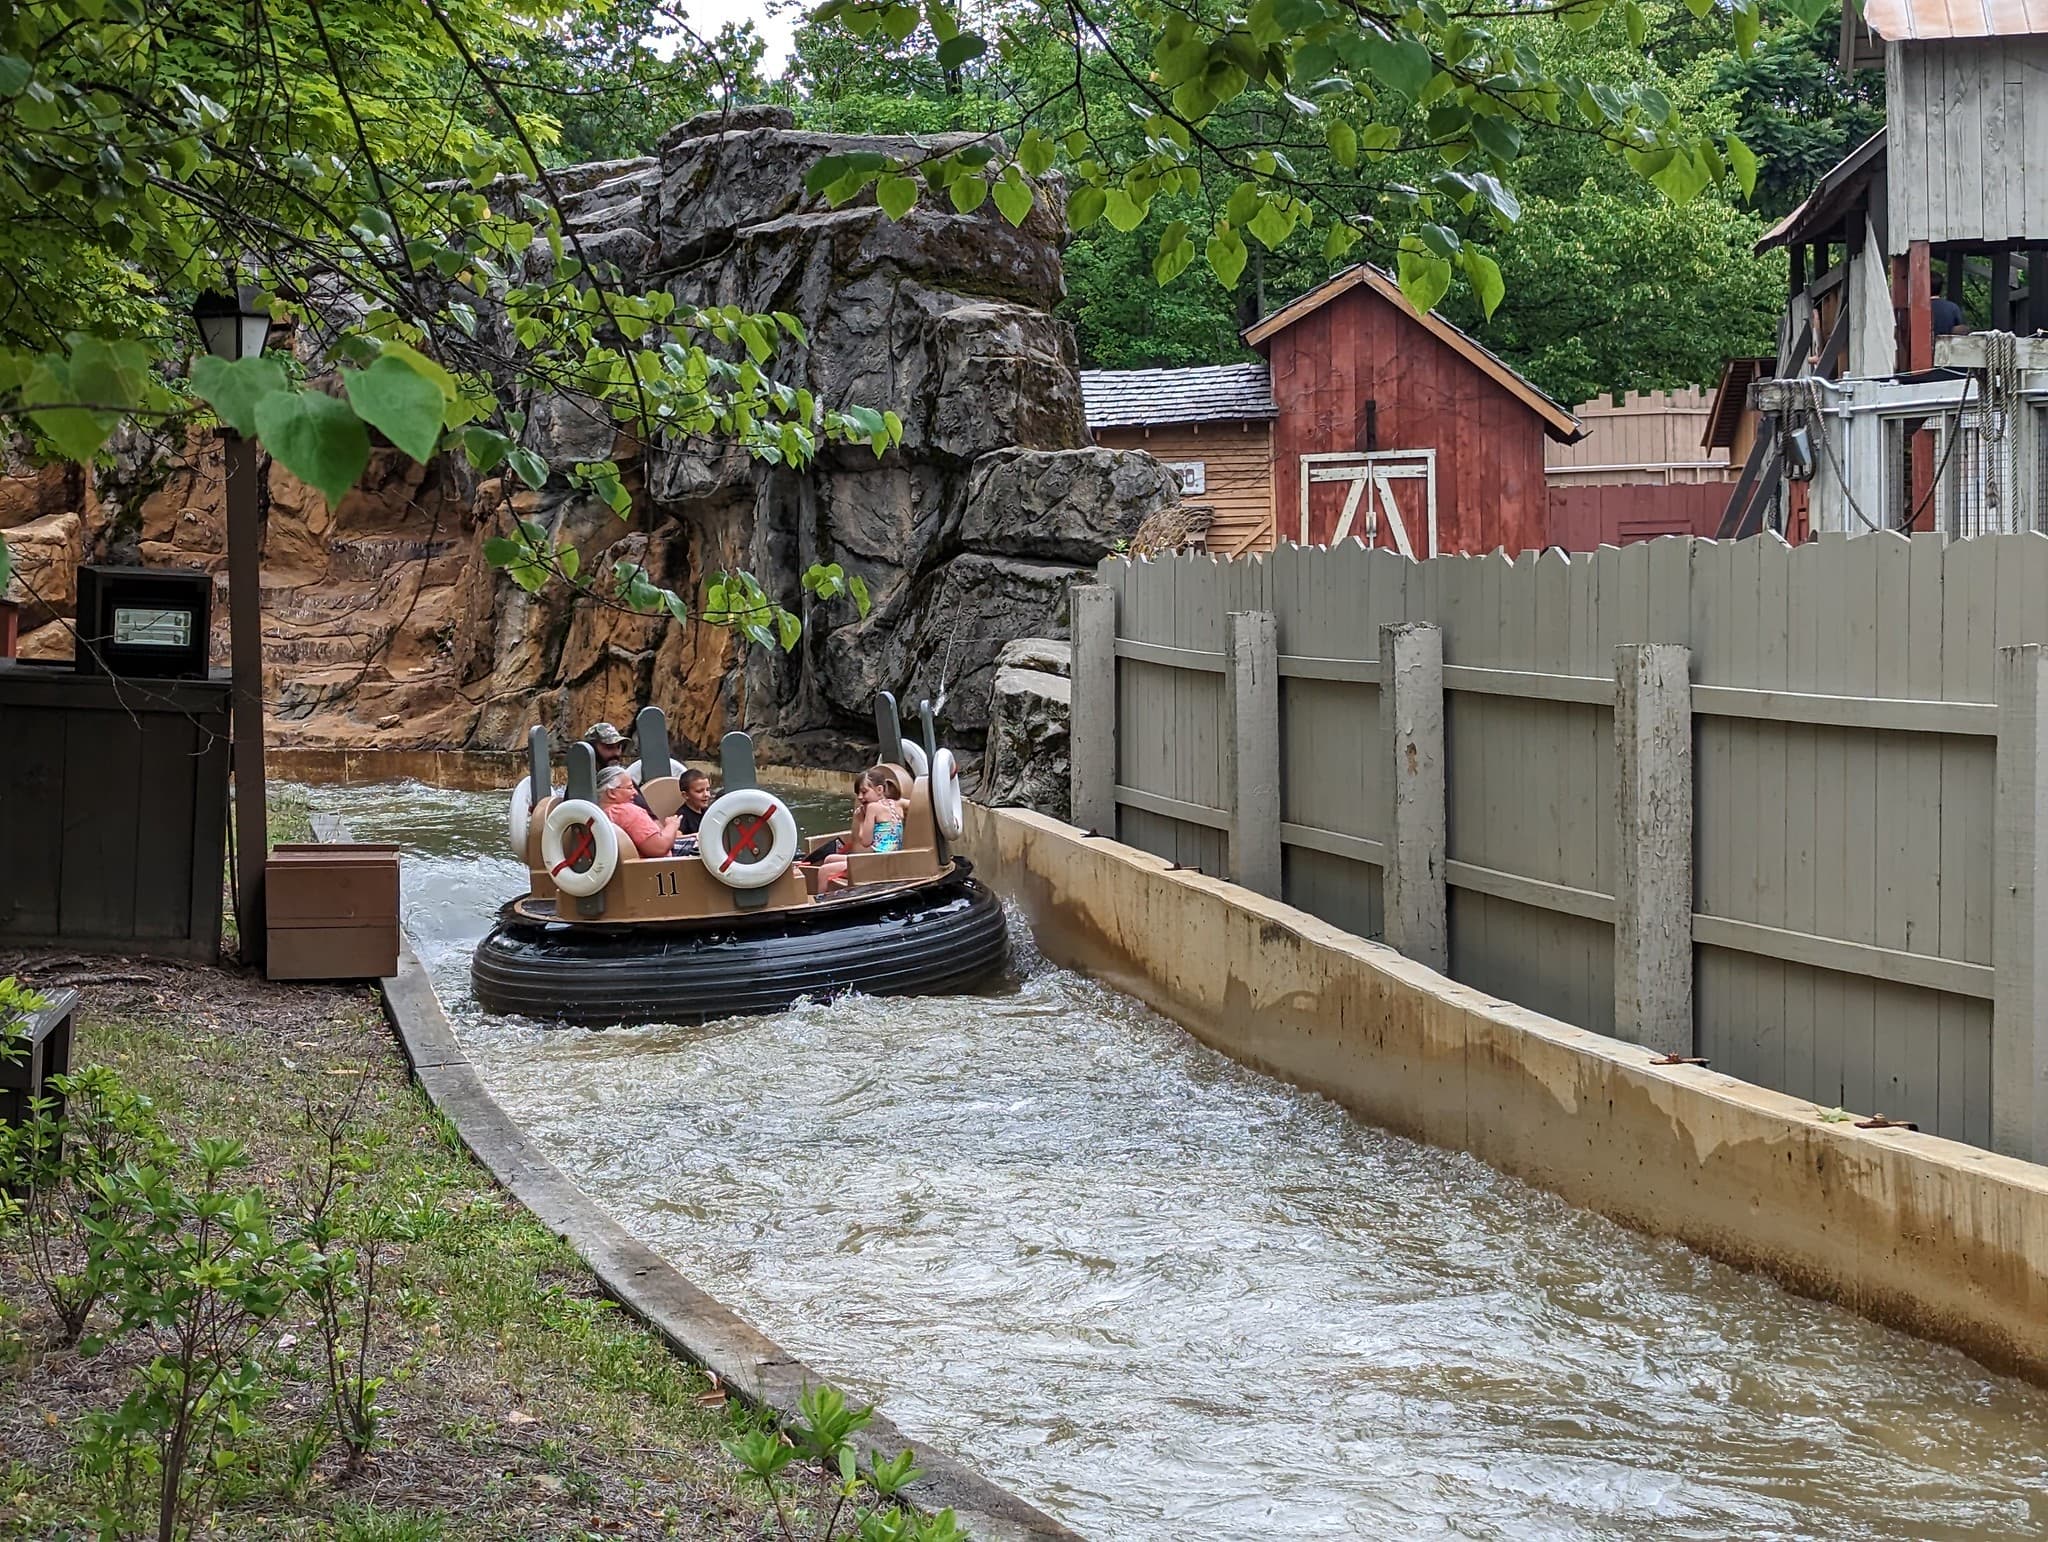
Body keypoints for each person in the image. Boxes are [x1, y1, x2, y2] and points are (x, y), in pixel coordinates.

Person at [814, 768, 905, 890]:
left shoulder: (873, 808)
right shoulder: (898, 803)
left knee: (824, 871)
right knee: (829, 858)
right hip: (889, 857)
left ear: (879, 790)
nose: (860, 797)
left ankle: (822, 904)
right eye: (858, 794)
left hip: (877, 861)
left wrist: (861, 820)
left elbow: (866, 842)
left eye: (864, 792)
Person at [596, 764, 677, 859]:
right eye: (630, 788)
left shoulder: (596, 814)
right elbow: (659, 848)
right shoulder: (628, 812)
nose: (635, 792)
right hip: (657, 868)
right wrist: (672, 825)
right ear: (612, 793)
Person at [585, 723, 651, 813]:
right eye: (609, 747)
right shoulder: (582, 784)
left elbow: (651, 817)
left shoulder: (622, 778)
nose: (617, 753)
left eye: (619, 747)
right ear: (591, 750)